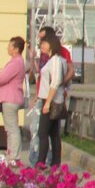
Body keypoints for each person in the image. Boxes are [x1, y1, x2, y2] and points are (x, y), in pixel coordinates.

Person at [34, 31, 69, 166]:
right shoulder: (58, 60)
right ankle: (55, 163)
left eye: (44, 43)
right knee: (54, 134)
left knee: (43, 133)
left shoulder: (55, 60)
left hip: (51, 100)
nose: (41, 46)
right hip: (54, 99)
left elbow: (55, 82)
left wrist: (47, 102)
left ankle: (40, 164)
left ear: (51, 44)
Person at [0, 36, 27, 161]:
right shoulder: (18, 61)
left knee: (12, 128)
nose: (8, 48)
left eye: (10, 46)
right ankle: (11, 153)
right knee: (10, 128)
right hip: (12, 98)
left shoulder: (15, 62)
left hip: (10, 98)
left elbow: (2, 78)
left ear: (16, 49)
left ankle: (14, 156)